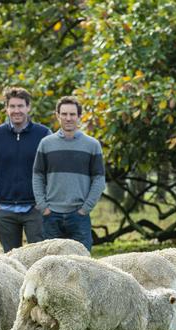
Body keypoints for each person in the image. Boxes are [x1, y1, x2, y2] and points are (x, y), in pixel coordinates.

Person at [32, 96, 105, 251]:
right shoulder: (46, 144)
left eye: (72, 114)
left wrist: (85, 209)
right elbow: (37, 175)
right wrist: (43, 207)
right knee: (51, 267)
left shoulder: (92, 145)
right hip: (51, 216)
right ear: (57, 115)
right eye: (64, 114)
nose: (68, 118)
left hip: (79, 216)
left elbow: (99, 179)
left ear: (79, 116)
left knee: (82, 265)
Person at [0, 87, 52, 252]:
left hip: (35, 209)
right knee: (10, 261)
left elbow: (52, 170)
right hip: (4, 209)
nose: (16, 110)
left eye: (20, 106)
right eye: (12, 106)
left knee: (39, 257)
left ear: (28, 107)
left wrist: (42, 202)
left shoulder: (43, 134)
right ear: (6, 109)